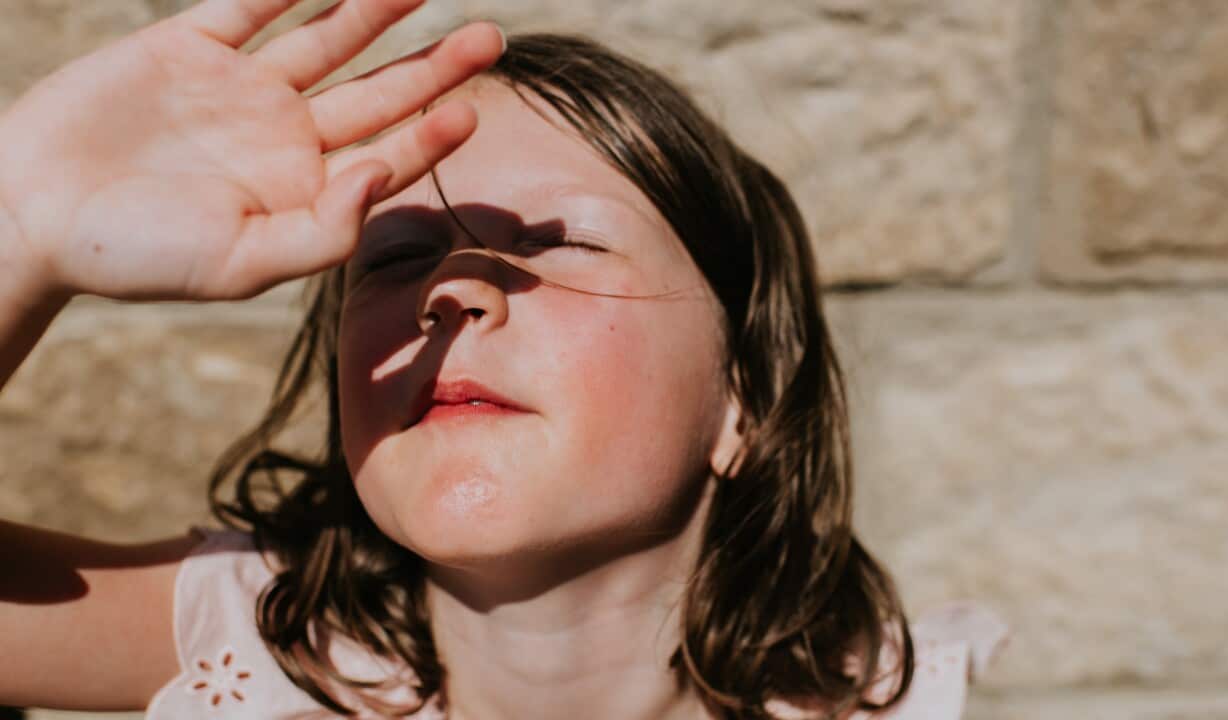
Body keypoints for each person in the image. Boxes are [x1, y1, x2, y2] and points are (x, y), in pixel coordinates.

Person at [0, 1, 1006, 717]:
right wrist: (19, 225)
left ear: (742, 398)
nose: (451, 290)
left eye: (556, 243)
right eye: (395, 258)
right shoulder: (260, 650)